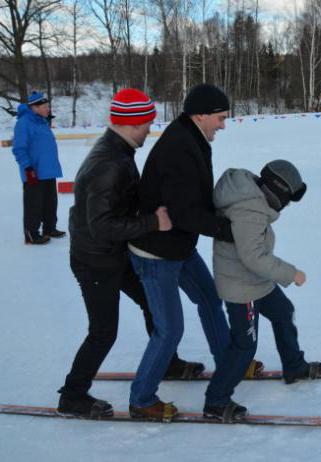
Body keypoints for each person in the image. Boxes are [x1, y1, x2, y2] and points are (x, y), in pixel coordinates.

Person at [57, 88, 199, 418]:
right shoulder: (110, 164)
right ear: (132, 123)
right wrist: (153, 222)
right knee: (103, 331)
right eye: (147, 123)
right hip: (95, 261)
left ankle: (169, 363)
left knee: (153, 304)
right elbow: (101, 226)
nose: (150, 129)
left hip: (114, 254)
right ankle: (73, 395)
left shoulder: (118, 151)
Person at [127, 84, 241, 421]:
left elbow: (194, 199)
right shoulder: (180, 147)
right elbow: (182, 211)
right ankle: (141, 398)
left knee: (209, 299)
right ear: (201, 114)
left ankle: (228, 363)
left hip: (179, 245)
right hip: (156, 253)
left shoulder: (191, 138)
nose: (223, 124)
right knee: (170, 329)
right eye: (220, 118)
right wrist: (226, 229)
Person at [207, 160, 321, 422]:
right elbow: (254, 258)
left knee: (283, 312)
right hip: (242, 288)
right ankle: (216, 400)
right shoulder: (249, 211)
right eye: (288, 200)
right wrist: (290, 273)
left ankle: (294, 366)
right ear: (278, 193)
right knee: (244, 346)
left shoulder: (253, 199)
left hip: (256, 282)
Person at [11, 91, 64, 244]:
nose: (48, 109)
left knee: (50, 202)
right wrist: (27, 167)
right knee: (34, 204)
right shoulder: (24, 123)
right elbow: (19, 148)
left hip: (48, 170)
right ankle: (31, 234)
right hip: (34, 171)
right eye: (46, 106)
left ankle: (49, 229)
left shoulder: (42, 121)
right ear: (35, 107)